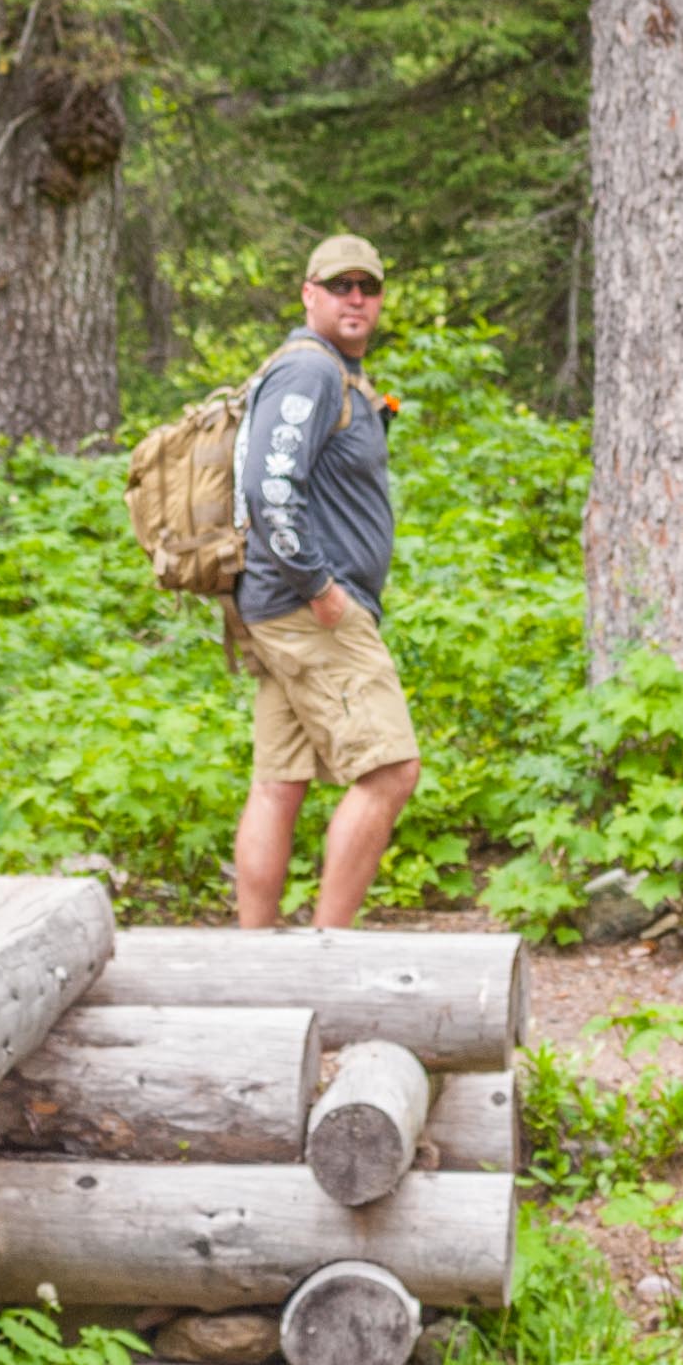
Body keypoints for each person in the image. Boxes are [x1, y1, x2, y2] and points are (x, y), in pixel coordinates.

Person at [225, 235, 420, 931]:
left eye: (368, 286)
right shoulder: (310, 373)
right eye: (340, 286)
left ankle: (254, 960)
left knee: (280, 784)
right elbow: (268, 485)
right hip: (311, 611)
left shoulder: (338, 375)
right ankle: (327, 954)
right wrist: (318, 586)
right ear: (310, 294)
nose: (356, 298)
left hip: (282, 609)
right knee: (390, 771)